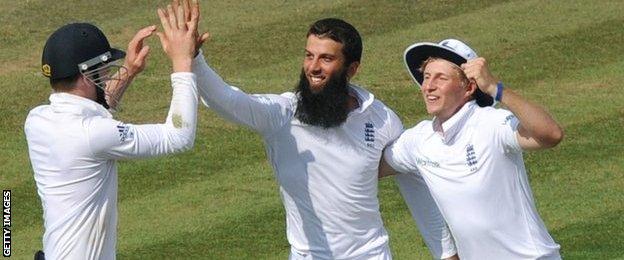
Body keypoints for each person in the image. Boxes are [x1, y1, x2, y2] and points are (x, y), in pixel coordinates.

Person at [172, 0, 457, 257]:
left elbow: (412, 177)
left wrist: (445, 252)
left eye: (326, 58)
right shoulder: (281, 114)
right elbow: (227, 100)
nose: (313, 67)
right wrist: (194, 58)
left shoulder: (381, 119)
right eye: (309, 56)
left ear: (352, 68)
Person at [24, 2, 201, 258]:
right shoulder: (93, 134)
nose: (108, 75)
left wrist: (128, 72)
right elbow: (179, 136)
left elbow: (93, 112)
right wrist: (183, 62)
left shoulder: (37, 120)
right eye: (104, 71)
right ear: (86, 76)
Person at [381, 38, 564, 259]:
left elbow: (551, 135)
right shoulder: (418, 140)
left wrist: (496, 88)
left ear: (469, 87)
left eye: (441, 78)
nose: (428, 86)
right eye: (427, 77)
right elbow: (367, 166)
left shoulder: (492, 124)